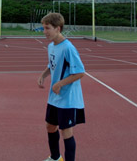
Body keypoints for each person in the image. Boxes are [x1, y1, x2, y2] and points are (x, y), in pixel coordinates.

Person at [38, 12, 86, 161]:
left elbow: (80, 72)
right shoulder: (51, 46)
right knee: (50, 126)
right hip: (54, 97)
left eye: (47, 28)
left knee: (66, 131)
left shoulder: (68, 48)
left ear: (58, 28)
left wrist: (60, 83)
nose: (44, 32)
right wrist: (44, 75)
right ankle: (56, 157)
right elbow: (52, 64)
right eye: (43, 28)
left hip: (67, 98)